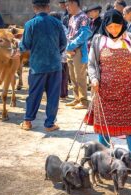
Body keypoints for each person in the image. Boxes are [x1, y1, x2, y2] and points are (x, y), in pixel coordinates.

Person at [88, 9, 131, 171]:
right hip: (104, 93)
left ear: (123, 24)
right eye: (110, 27)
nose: (114, 30)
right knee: (104, 129)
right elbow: (92, 64)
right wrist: (93, 78)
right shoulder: (97, 40)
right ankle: (104, 162)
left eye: (117, 26)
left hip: (127, 91)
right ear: (105, 26)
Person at [19, 0, 67, 131]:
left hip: (37, 66)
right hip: (55, 65)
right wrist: (56, 52)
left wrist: (19, 46)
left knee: (34, 93)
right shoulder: (57, 23)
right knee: (53, 95)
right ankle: (50, 124)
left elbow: (25, 45)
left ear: (34, 8)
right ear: (48, 7)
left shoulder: (30, 24)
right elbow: (63, 43)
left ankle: (28, 122)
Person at [65, 0, 91, 109]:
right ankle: (76, 98)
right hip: (70, 50)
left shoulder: (83, 17)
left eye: (68, 4)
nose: (67, 7)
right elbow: (68, 34)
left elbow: (85, 34)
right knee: (72, 76)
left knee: (80, 76)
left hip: (79, 50)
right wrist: (68, 47)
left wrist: (71, 46)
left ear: (74, 3)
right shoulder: (71, 18)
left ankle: (84, 101)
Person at [49, 12, 69, 100]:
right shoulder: (64, 27)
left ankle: (59, 94)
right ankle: (63, 93)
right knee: (64, 75)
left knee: (57, 76)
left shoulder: (54, 27)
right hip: (64, 56)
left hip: (58, 56)